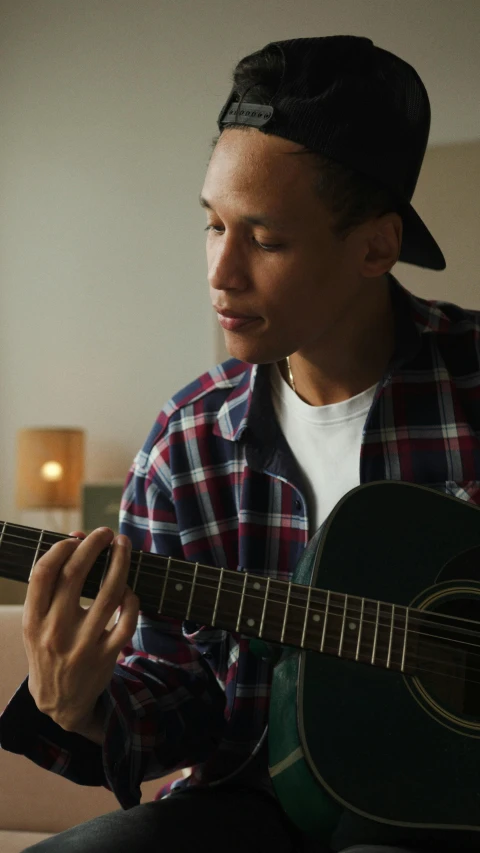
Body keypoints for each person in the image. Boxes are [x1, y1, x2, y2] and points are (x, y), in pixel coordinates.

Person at [1, 35, 479, 853]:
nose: (221, 271)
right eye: (213, 224)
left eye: (265, 239)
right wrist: (76, 705)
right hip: (250, 800)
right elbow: (177, 698)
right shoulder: (188, 439)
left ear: (376, 246)